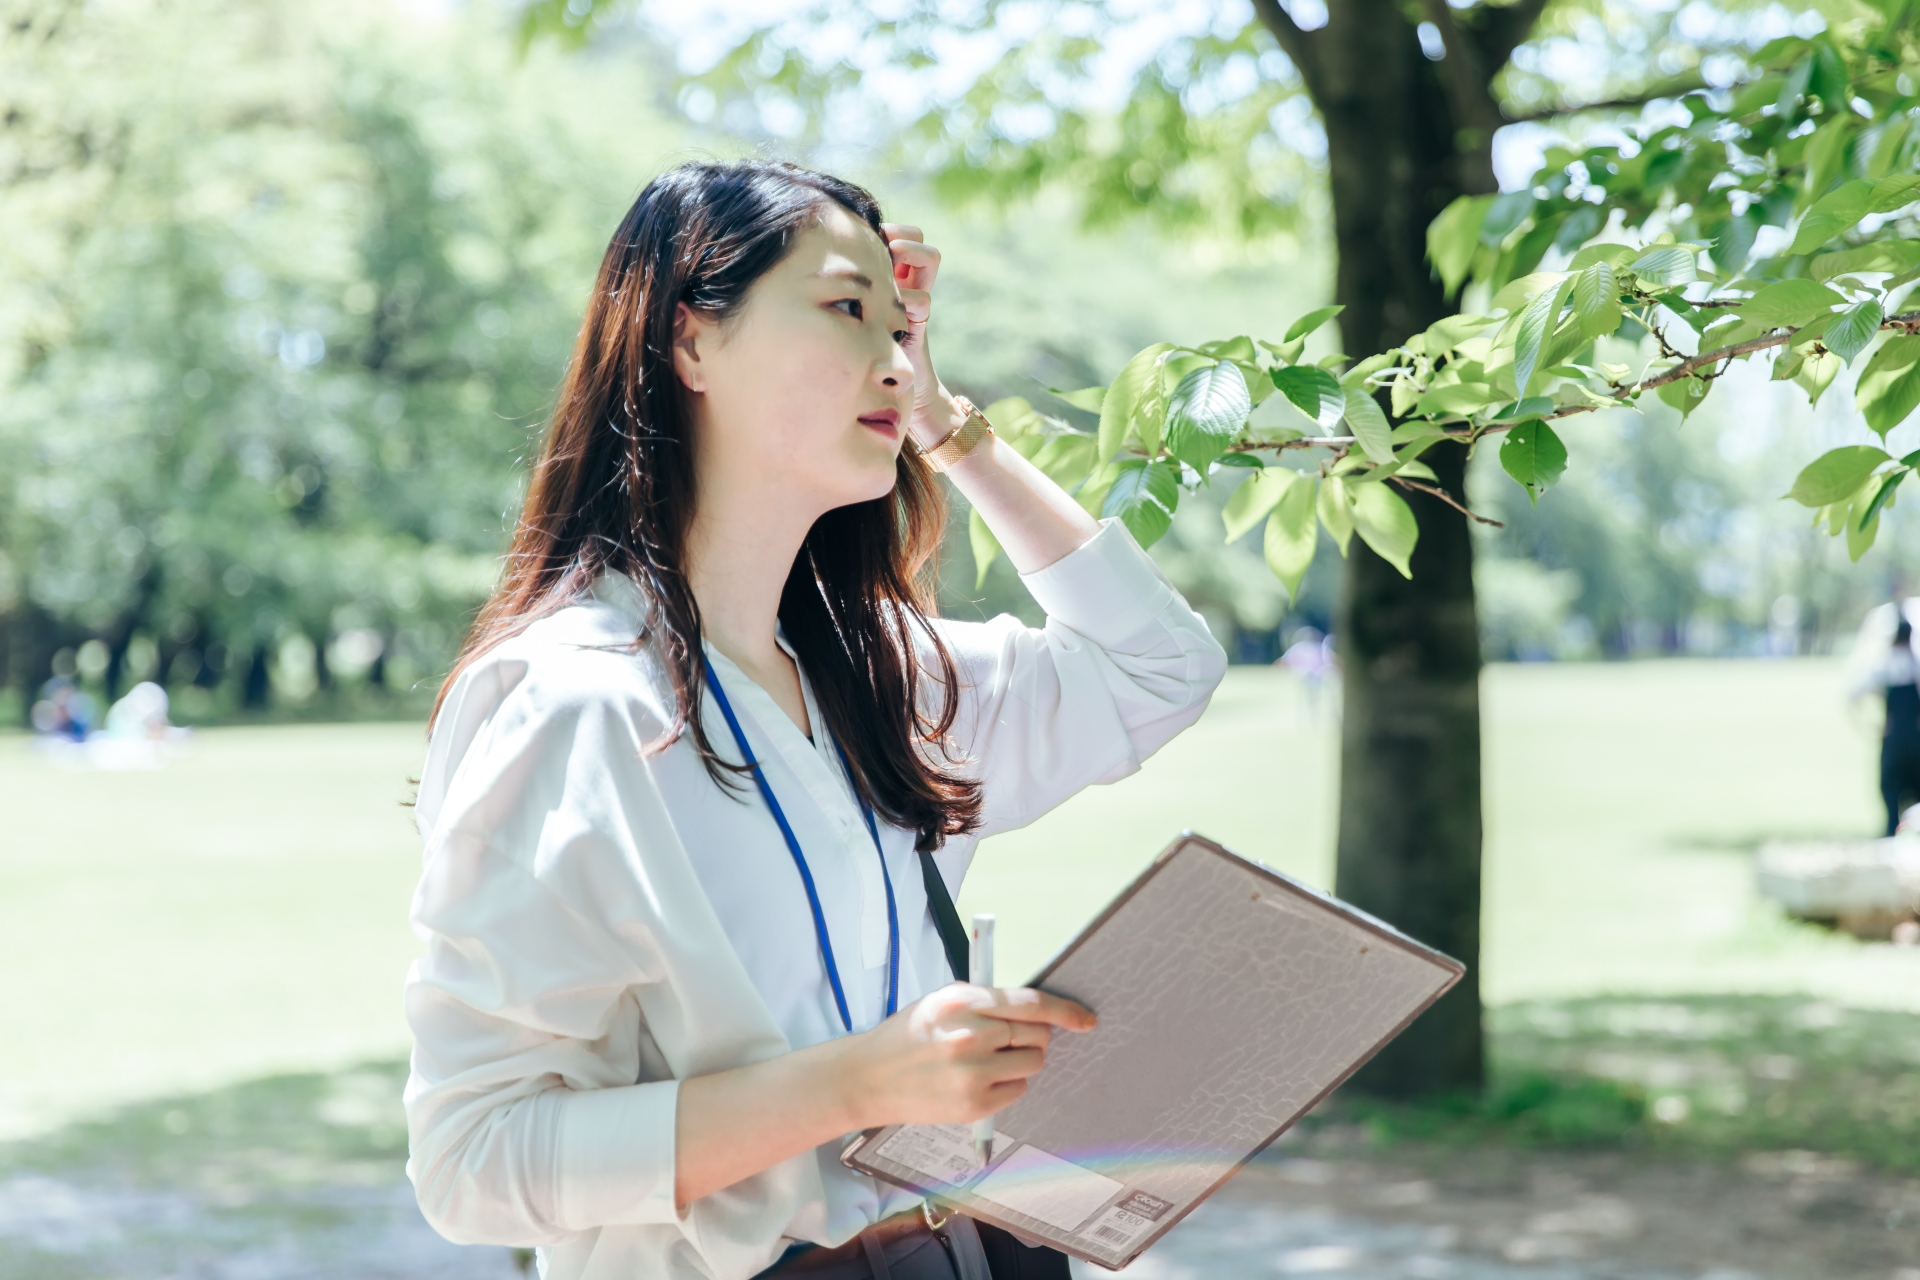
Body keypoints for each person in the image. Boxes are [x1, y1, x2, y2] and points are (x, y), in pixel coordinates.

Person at [402, 159, 1228, 1280]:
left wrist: (948, 424)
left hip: (961, 1251)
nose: (892, 357)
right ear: (689, 340)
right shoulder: (570, 701)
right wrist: (861, 1081)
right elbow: (473, 1158)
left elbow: (1161, 665)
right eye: (848, 308)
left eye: (906, 328)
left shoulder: (874, 672)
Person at [1852, 616, 1920, 836]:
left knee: (1891, 801)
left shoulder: (1882, 666)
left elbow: (1852, 695)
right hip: (1916, 741)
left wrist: (1869, 727)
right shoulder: (1916, 664)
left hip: (1893, 742)